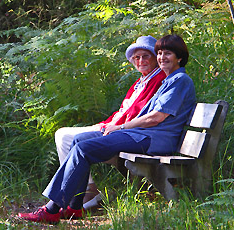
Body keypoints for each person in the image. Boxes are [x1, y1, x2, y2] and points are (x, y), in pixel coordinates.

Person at [18, 34, 196, 224]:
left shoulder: (180, 81)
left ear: (179, 57)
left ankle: (52, 209)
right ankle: (75, 207)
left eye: (167, 53)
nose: (161, 57)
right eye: (159, 53)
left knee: (83, 149)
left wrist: (120, 127)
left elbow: (155, 118)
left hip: (153, 139)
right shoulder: (169, 80)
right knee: (79, 141)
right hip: (141, 135)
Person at [54, 35, 166, 209]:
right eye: (137, 57)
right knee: (63, 135)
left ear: (155, 58)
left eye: (146, 56)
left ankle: (85, 193)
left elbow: (141, 115)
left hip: (130, 134)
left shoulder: (158, 80)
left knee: (66, 137)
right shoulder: (140, 82)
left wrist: (114, 127)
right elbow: (125, 111)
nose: (141, 60)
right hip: (117, 128)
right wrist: (106, 124)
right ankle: (80, 194)